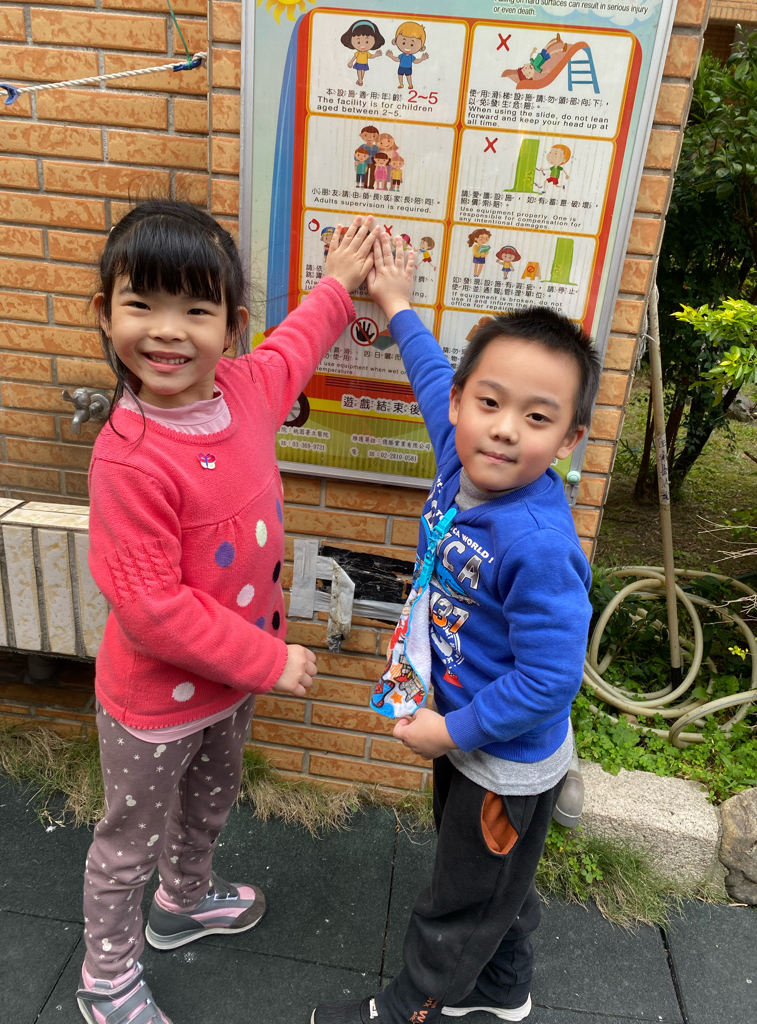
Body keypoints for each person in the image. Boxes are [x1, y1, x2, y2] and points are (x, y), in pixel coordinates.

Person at [77, 200, 378, 1024]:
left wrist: (340, 284)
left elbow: (297, 345)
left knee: (211, 801)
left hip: (229, 687)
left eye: (195, 310)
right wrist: (269, 660)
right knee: (126, 846)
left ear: (232, 326)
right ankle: (106, 980)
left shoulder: (246, 391)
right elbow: (152, 610)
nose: (167, 332)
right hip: (153, 706)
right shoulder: (129, 458)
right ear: (104, 313)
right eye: (142, 304)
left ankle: (184, 901)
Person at [312, 237, 600, 1024]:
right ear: (462, 405)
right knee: (491, 881)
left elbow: (550, 679)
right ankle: (503, 989)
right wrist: (395, 302)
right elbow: (432, 374)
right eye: (490, 403)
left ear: (568, 441)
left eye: (536, 417)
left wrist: (451, 732)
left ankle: (412, 1007)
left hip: (502, 761)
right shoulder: (460, 463)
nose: (504, 430)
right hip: (464, 728)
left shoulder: (537, 543)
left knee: (461, 899)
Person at [385, 21, 430, 89]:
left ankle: (410, 84)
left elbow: (415, 61)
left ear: (421, 47)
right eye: (403, 43)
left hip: (408, 68)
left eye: (412, 44)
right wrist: (391, 56)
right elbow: (397, 59)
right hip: (401, 67)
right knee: (400, 75)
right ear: (395, 41)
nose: (407, 47)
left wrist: (422, 59)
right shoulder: (402, 55)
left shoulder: (411, 56)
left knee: (408, 76)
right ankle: (401, 84)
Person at [340, 18, 385, 86]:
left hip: (364, 64)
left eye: (367, 42)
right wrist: (351, 62)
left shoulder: (366, 53)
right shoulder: (358, 52)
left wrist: (376, 55)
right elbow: (354, 57)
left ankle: (360, 80)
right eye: (358, 42)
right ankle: (360, 81)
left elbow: (371, 56)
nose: (363, 45)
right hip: (358, 63)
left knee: (363, 72)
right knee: (359, 71)